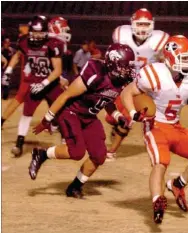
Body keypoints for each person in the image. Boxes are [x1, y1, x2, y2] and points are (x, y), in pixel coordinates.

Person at [120, 35, 188, 224]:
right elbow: (127, 92)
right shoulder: (154, 73)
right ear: (171, 58)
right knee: (160, 162)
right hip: (155, 125)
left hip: (175, 126)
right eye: (185, 58)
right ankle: (158, 200)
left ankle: (177, 184)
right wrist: (133, 113)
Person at [28, 43, 136, 199]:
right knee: (77, 152)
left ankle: (74, 187)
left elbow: (106, 100)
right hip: (71, 112)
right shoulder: (96, 73)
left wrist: (119, 116)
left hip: (89, 117)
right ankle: (42, 154)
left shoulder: (120, 80)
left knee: (99, 155)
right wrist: (47, 119)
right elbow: (65, 96)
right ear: (114, 63)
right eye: (125, 66)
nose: (128, 70)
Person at [105, 8, 169, 161]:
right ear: (132, 24)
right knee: (113, 116)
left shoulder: (159, 41)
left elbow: (165, 61)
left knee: (129, 118)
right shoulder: (122, 35)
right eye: (139, 24)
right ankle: (116, 127)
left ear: (152, 25)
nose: (142, 28)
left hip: (144, 86)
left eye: (146, 25)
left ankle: (112, 151)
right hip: (123, 82)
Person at [2, 15, 65, 156]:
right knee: (26, 113)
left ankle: (66, 139)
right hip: (35, 82)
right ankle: (19, 143)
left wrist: (44, 84)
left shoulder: (52, 44)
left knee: (60, 111)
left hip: (51, 83)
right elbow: (17, 55)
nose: (36, 36)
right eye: (34, 32)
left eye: (39, 32)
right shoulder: (24, 42)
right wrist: (8, 71)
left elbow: (57, 70)